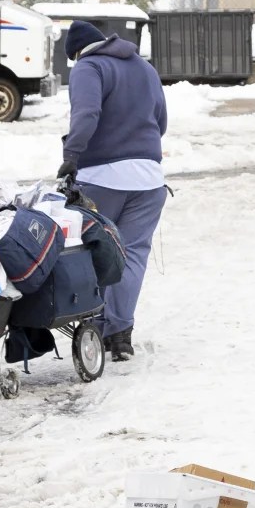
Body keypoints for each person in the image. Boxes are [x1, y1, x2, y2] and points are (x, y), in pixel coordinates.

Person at [58, 20, 168, 362]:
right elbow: (161, 120)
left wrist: (71, 156)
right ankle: (120, 334)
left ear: (75, 53)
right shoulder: (144, 67)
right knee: (132, 253)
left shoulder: (88, 67)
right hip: (149, 179)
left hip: (101, 177)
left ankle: (97, 325)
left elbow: (87, 114)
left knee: (92, 250)